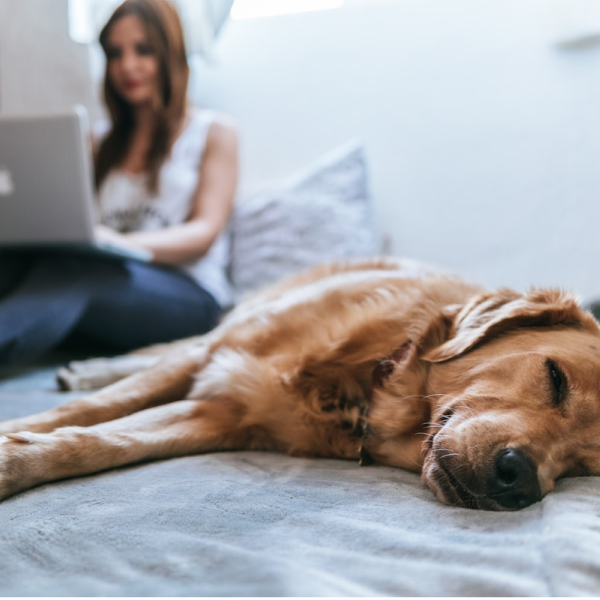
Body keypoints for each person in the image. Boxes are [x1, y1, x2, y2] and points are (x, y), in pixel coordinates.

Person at [0, 0, 238, 367]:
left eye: (143, 50)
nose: (128, 66)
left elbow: (204, 233)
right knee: (14, 262)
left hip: (187, 295)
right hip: (103, 281)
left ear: (169, 53)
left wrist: (121, 243)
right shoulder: (96, 141)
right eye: (115, 53)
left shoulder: (213, 132)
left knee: (77, 274)